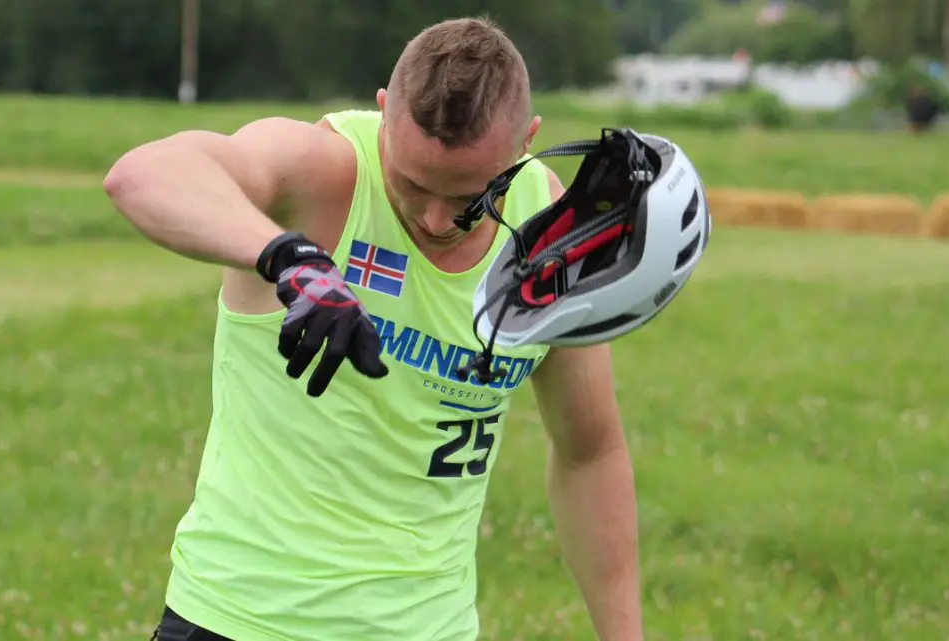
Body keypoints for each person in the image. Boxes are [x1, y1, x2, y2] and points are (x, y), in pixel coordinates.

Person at [104, 16, 645, 641]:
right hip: (240, 619)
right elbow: (143, 175)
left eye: (473, 195)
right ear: (384, 114)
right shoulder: (322, 172)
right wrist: (291, 260)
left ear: (527, 140)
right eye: (413, 184)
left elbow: (590, 451)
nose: (437, 218)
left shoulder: (547, 232)